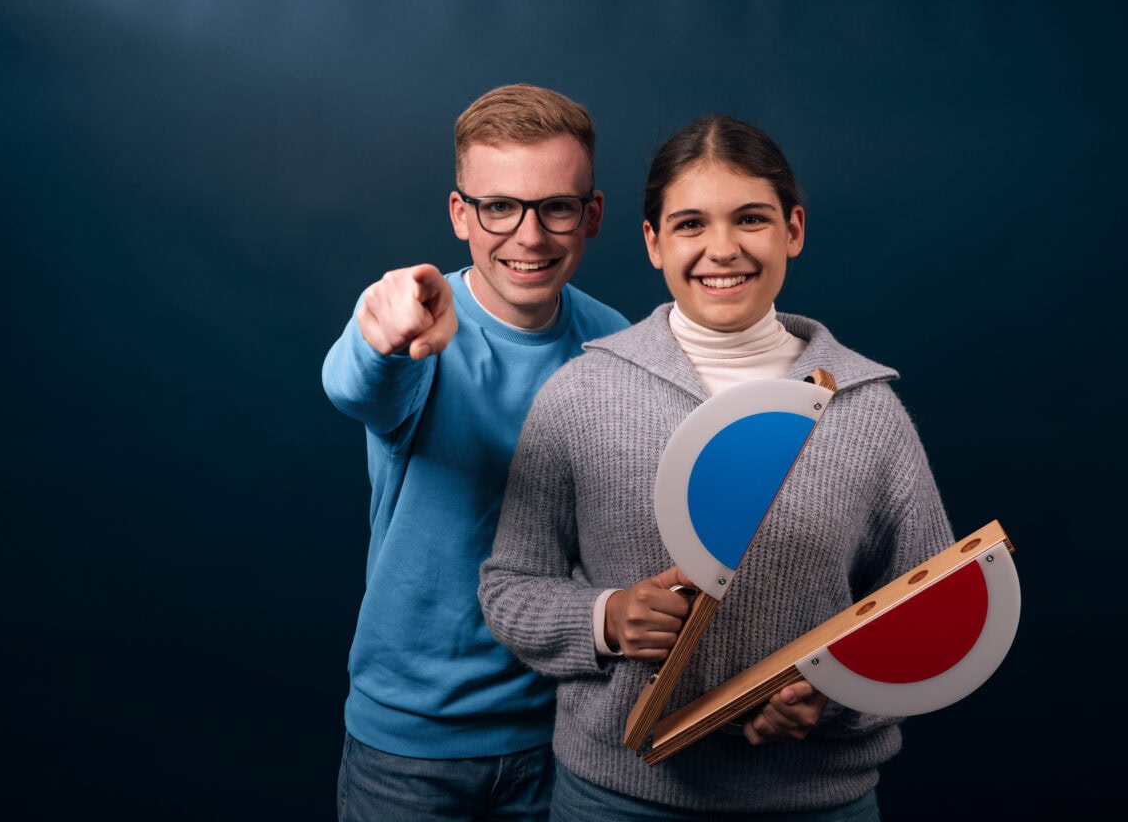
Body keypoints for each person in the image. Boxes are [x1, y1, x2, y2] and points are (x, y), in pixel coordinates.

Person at [479, 115, 953, 820]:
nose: (722, 248)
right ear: (654, 242)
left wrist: (833, 695)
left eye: (751, 218)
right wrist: (607, 618)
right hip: (615, 798)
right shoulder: (579, 394)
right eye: (690, 224)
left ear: (793, 229)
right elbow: (510, 588)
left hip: (816, 803)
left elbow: (928, 613)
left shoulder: (868, 412)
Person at [322, 83, 629, 821]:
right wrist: (379, 334)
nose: (529, 236)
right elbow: (356, 385)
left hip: (564, 737)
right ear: (461, 215)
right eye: (499, 207)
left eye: (556, 207)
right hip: (409, 751)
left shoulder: (616, 344)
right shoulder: (421, 323)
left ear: (592, 215)